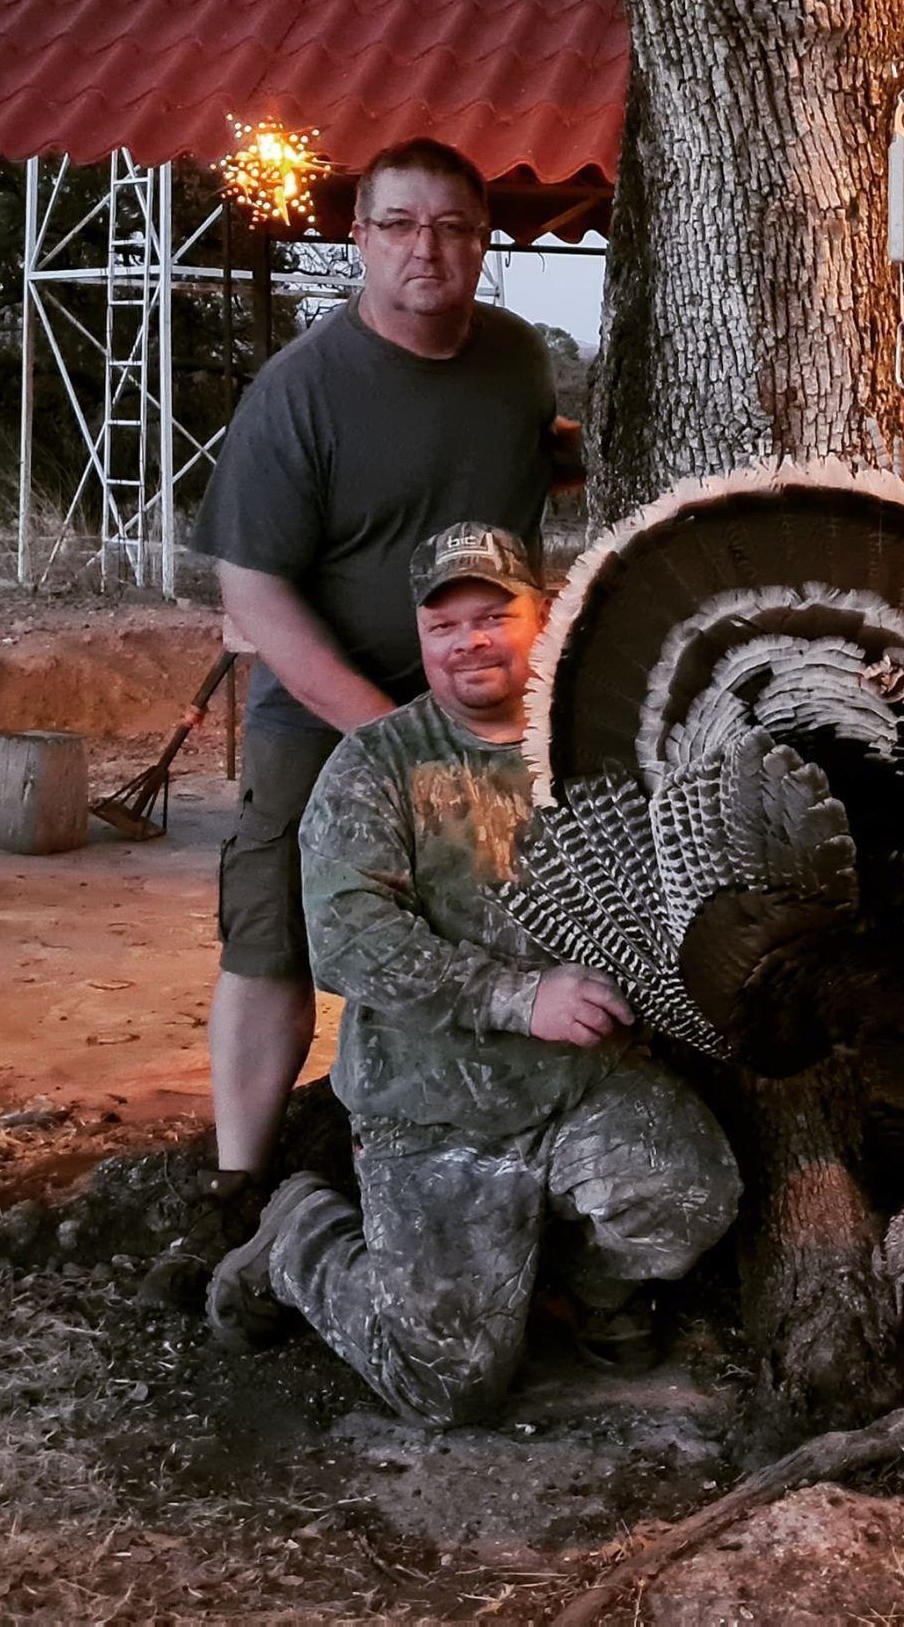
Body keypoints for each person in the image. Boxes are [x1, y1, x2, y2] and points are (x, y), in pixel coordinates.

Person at [145, 138, 571, 1307]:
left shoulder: (519, 364)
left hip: (490, 707)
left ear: (482, 244)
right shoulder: (300, 390)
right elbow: (253, 596)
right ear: (360, 239)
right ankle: (240, 1186)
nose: (426, 248)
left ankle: (506, 1155)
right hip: (324, 710)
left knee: (511, 925)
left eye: (453, 227)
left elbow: (541, 481)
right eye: (399, 225)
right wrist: (391, 736)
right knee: (272, 931)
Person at [206, 523, 741, 1425]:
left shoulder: (596, 751)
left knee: (692, 1191)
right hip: (429, 1107)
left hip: (579, 1084)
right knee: (449, 1387)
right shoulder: (376, 764)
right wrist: (521, 997)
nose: (470, 642)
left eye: (493, 616)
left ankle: (590, 1288)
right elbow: (346, 940)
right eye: (444, 625)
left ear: (541, 615)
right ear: (421, 637)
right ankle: (301, 1236)